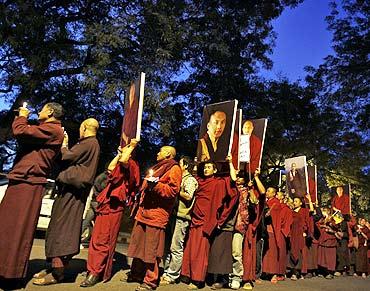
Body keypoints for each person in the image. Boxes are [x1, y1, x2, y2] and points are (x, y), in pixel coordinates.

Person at [0, 102, 64, 287]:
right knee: (6, 227)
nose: (40, 111)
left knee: (18, 229)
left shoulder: (53, 130)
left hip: (30, 182)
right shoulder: (44, 129)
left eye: (43, 109)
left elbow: (20, 131)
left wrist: (22, 115)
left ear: (50, 112)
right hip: (22, 179)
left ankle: (11, 274)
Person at [33, 118, 100, 285]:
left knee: (63, 230)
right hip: (70, 193)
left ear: (84, 127)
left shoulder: (89, 143)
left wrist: (64, 145)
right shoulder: (91, 144)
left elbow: (67, 156)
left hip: (73, 194)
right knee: (58, 227)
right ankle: (53, 267)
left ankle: (58, 273)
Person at [80, 139, 140, 287]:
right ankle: (92, 269)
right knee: (96, 239)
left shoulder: (132, 166)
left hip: (114, 207)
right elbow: (110, 167)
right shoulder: (120, 164)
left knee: (104, 240)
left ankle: (96, 272)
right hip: (105, 205)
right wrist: (119, 153)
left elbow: (125, 159)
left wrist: (131, 146)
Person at [125, 146, 182, 291]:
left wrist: (155, 185)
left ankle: (150, 280)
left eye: (161, 151)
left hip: (156, 214)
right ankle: (136, 273)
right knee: (139, 245)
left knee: (151, 250)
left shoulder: (174, 169)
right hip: (144, 212)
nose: (157, 153)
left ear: (168, 154)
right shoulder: (158, 167)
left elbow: (172, 191)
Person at [181, 160, 236, 290]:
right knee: (190, 248)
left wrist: (230, 163)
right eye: (205, 167)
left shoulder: (219, 183)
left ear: (215, 170)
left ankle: (198, 280)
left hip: (206, 220)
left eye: (209, 167)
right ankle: (188, 274)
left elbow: (233, 190)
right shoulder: (200, 181)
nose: (206, 169)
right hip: (195, 218)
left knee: (201, 251)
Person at [160, 156, 198, 285]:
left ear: (186, 166)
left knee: (176, 247)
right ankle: (166, 271)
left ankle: (172, 275)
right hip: (173, 215)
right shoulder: (179, 178)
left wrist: (176, 190)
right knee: (168, 246)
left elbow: (188, 196)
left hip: (182, 217)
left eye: (180, 164)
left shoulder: (190, 180)